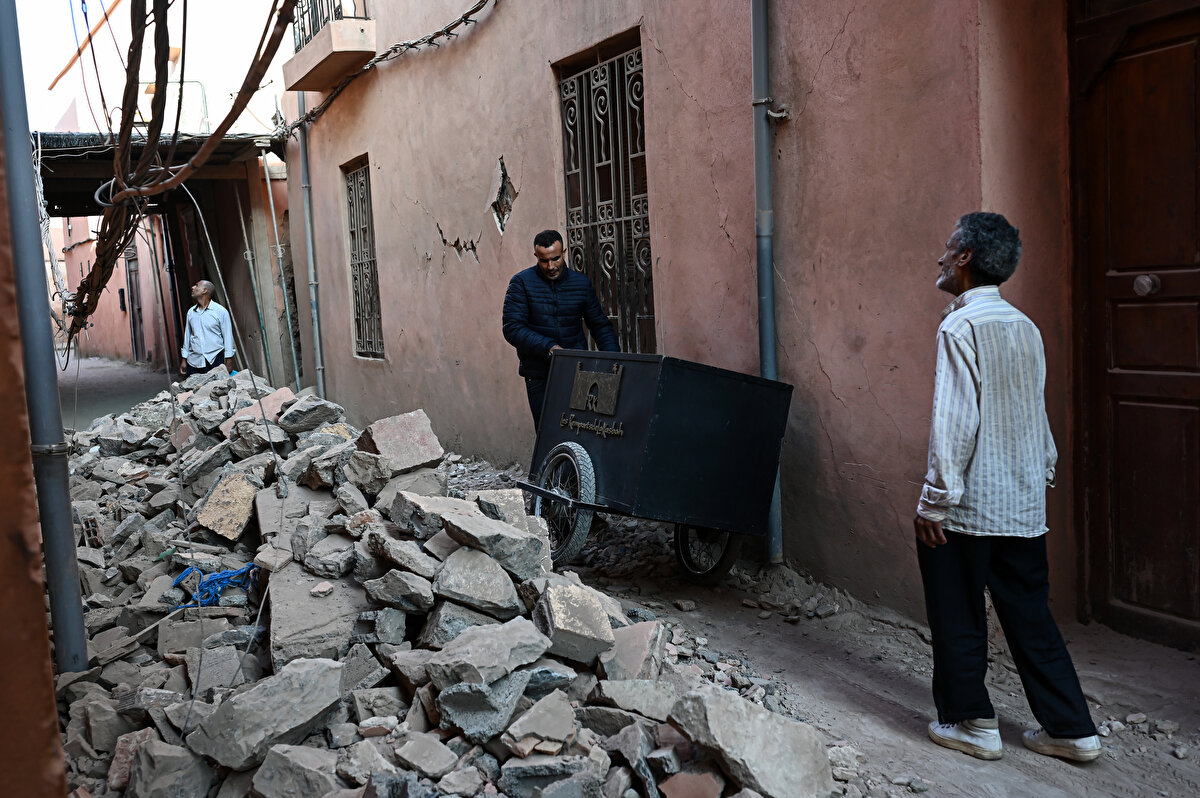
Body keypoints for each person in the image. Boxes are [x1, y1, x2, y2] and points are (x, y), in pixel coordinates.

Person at [913, 212, 1100, 763]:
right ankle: (1072, 728)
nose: (941, 257)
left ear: (965, 258)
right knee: (1031, 616)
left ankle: (972, 722)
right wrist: (1040, 476)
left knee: (957, 611)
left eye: (948, 248)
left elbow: (955, 422)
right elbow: (1034, 417)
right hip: (1021, 504)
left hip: (968, 508)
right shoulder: (1026, 327)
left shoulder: (959, 327)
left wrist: (934, 501)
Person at [502, 229, 619, 429]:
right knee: (548, 435)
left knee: (582, 432)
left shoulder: (580, 284)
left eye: (555, 259)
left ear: (564, 252)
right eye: (544, 260)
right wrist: (549, 347)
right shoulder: (521, 283)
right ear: (536, 257)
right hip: (539, 373)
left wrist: (614, 361)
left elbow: (599, 325)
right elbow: (512, 328)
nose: (551, 266)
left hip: (578, 371)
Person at [179, 279, 236, 376]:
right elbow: (187, 337)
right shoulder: (191, 312)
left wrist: (229, 360)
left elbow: (228, 337)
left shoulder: (221, 312)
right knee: (194, 390)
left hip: (215, 360)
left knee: (215, 389)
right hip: (194, 361)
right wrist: (184, 359)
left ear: (204, 290)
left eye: (196, 285)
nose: (193, 287)